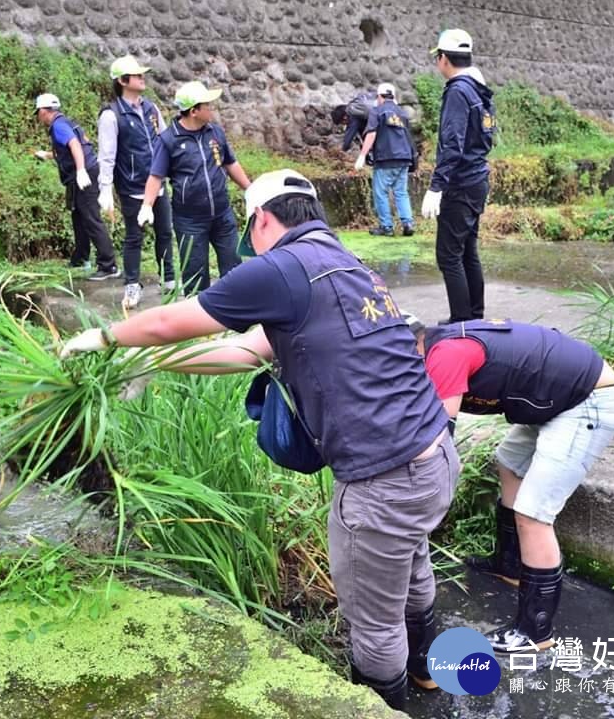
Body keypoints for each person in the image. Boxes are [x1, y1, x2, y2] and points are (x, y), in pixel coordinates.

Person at [61, 169, 459, 710]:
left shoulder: (282, 266)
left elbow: (171, 321)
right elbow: (246, 352)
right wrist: (152, 359)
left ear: (261, 221)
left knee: (373, 617)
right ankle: (427, 673)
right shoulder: (347, 265)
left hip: (381, 479)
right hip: (433, 456)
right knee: (410, 567)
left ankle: (382, 705)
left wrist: (104, 337)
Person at [405, 314, 614, 653]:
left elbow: (438, 441)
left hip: (588, 400)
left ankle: (535, 633)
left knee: (534, 515)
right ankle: (510, 567)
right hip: (556, 396)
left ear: (410, 345)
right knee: (509, 462)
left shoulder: (444, 356)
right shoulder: (437, 346)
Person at [138, 81, 251, 294]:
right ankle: (199, 320)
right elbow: (156, 175)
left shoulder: (215, 133)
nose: (212, 109)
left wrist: (250, 189)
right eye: (208, 105)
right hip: (190, 221)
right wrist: (146, 205)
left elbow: (230, 163)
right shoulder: (169, 140)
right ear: (194, 111)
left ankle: (237, 316)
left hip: (222, 215)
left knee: (234, 267)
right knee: (195, 275)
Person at [421, 29, 495, 325]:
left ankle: (462, 321)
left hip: (461, 184)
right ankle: (474, 317)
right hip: (477, 179)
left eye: (437, 58)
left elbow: (452, 144)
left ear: (443, 59)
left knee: (449, 255)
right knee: (467, 251)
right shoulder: (479, 89)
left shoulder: (458, 90)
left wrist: (436, 187)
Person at [98, 55, 177, 309]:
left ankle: (169, 280)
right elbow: (107, 156)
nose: (143, 78)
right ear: (122, 81)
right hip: (132, 188)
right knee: (134, 237)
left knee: (165, 232)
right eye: (137, 75)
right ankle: (132, 285)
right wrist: (105, 189)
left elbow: (166, 142)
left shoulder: (151, 109)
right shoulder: (112, 115)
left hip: (158, 184)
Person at [34, 93, 120, 281]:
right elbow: (68, 148)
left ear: (42, 111)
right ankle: (81, 258)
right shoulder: (65, 123)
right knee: (78, 217)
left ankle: (109, 265)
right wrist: (47, 155)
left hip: (84, 175)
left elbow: (75, 145)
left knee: (91, 218)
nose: (38, 117)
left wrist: (81, 171)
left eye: (37, 113)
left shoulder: (58, 126)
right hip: (79, 175)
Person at [355, 83, 416, 237]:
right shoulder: (402, 113)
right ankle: (407, 223)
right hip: (404, 157)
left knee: (380, 192)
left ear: (380, 96)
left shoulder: (377, 111)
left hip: (386, 158)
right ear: (393, 96)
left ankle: (386, 227)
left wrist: (362, 156)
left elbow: (371, 134)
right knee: (401, 192)